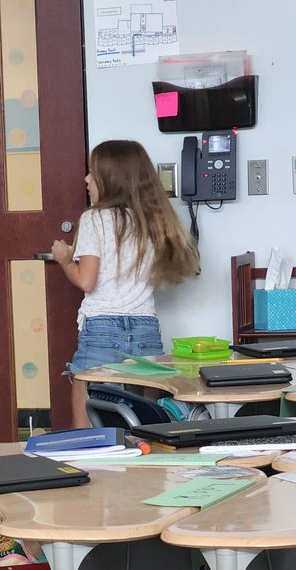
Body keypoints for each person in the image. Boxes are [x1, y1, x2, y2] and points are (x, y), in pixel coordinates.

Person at [51, 140, 200, 428]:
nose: (86, 179)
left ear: (110, 179)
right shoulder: (151, 219)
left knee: (89, 434)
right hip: (145, 330)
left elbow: (87, 281)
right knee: (148, 429)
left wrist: (65, 259)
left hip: (102, 331)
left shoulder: (95, 218)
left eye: (92, 173)